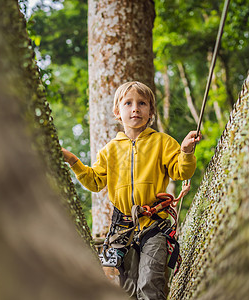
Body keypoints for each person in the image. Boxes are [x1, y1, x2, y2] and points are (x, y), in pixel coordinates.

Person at [62, 81, 200, 299]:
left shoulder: (162, 143)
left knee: (151, 282)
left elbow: (180, 172)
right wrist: (73, 161)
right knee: (126, 287)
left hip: (155, 226)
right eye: (128, 103)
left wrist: (185, 152)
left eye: (142, 103)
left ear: (151, 111)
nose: (135, 108)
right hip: (123, 228)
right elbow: (94, 182)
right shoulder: (110, 150)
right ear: (118, 112)